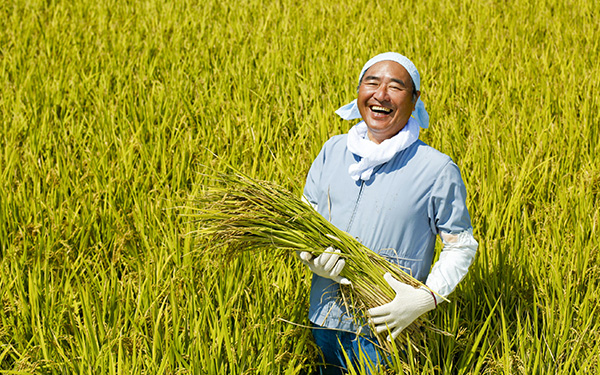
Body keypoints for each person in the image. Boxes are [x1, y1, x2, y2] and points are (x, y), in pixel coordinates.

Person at [298, 52, 478, 374]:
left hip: (386, 328)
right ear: (359, 92)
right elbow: (304, 217)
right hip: (324, 315)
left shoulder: (436, 169)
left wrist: (424, 299)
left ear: (414, 100)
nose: (381, 95)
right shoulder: (333, 151)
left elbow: (460, 245)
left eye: (395, 87)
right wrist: (311, 258)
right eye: (372, 82)